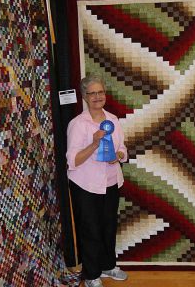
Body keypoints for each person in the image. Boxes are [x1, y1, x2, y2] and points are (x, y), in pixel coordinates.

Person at [66, 75, 128, 287]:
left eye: (100, 92)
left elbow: (123, 150)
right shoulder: (77, 124)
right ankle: (92, 275)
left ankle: (108, 266)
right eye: (92, 93)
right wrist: (94, 144)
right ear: (84, 96)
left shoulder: (113, 120)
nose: (97, 96)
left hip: (111, 182)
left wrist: (117, 156)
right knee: (90, 229)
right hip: (86, 185)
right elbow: (72, 161)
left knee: (109, 227)